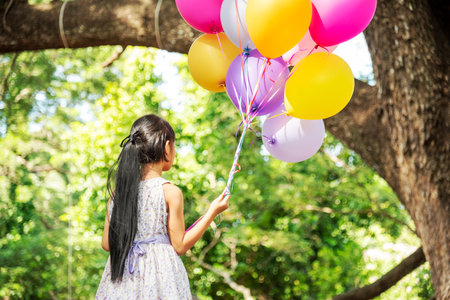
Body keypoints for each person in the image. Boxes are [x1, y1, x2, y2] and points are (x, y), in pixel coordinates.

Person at [95, 114, 230, 299]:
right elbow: (180, 245)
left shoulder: (118, 193)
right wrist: (212, 212)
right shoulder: (169, 192)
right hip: (160, 280)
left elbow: (106, 244)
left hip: (123, 280)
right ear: (167, 148)